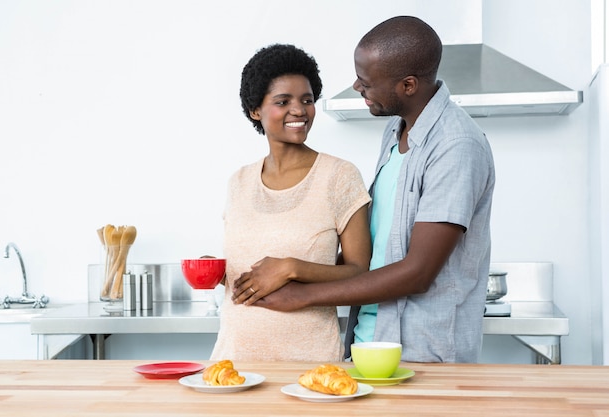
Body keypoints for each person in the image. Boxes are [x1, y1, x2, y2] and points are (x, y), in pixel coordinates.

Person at [243, 16, 496, 363]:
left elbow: (418, 272)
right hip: (369, 346)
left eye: (367, 82)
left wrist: (303, 295)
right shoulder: (396, 131)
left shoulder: (456, 145)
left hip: (424, 357)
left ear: (407, 85)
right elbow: (374, 248)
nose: (358, 88)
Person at [210, 44, 372, 362]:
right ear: (255, 110)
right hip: (234, 360)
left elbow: (360, 272)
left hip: (310, 363)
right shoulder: (238, 182)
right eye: (283, 101)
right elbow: (245, 275)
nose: (299, 110)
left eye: (307, 100)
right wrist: (217, 271)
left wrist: (290, 268)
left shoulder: (339, 176)